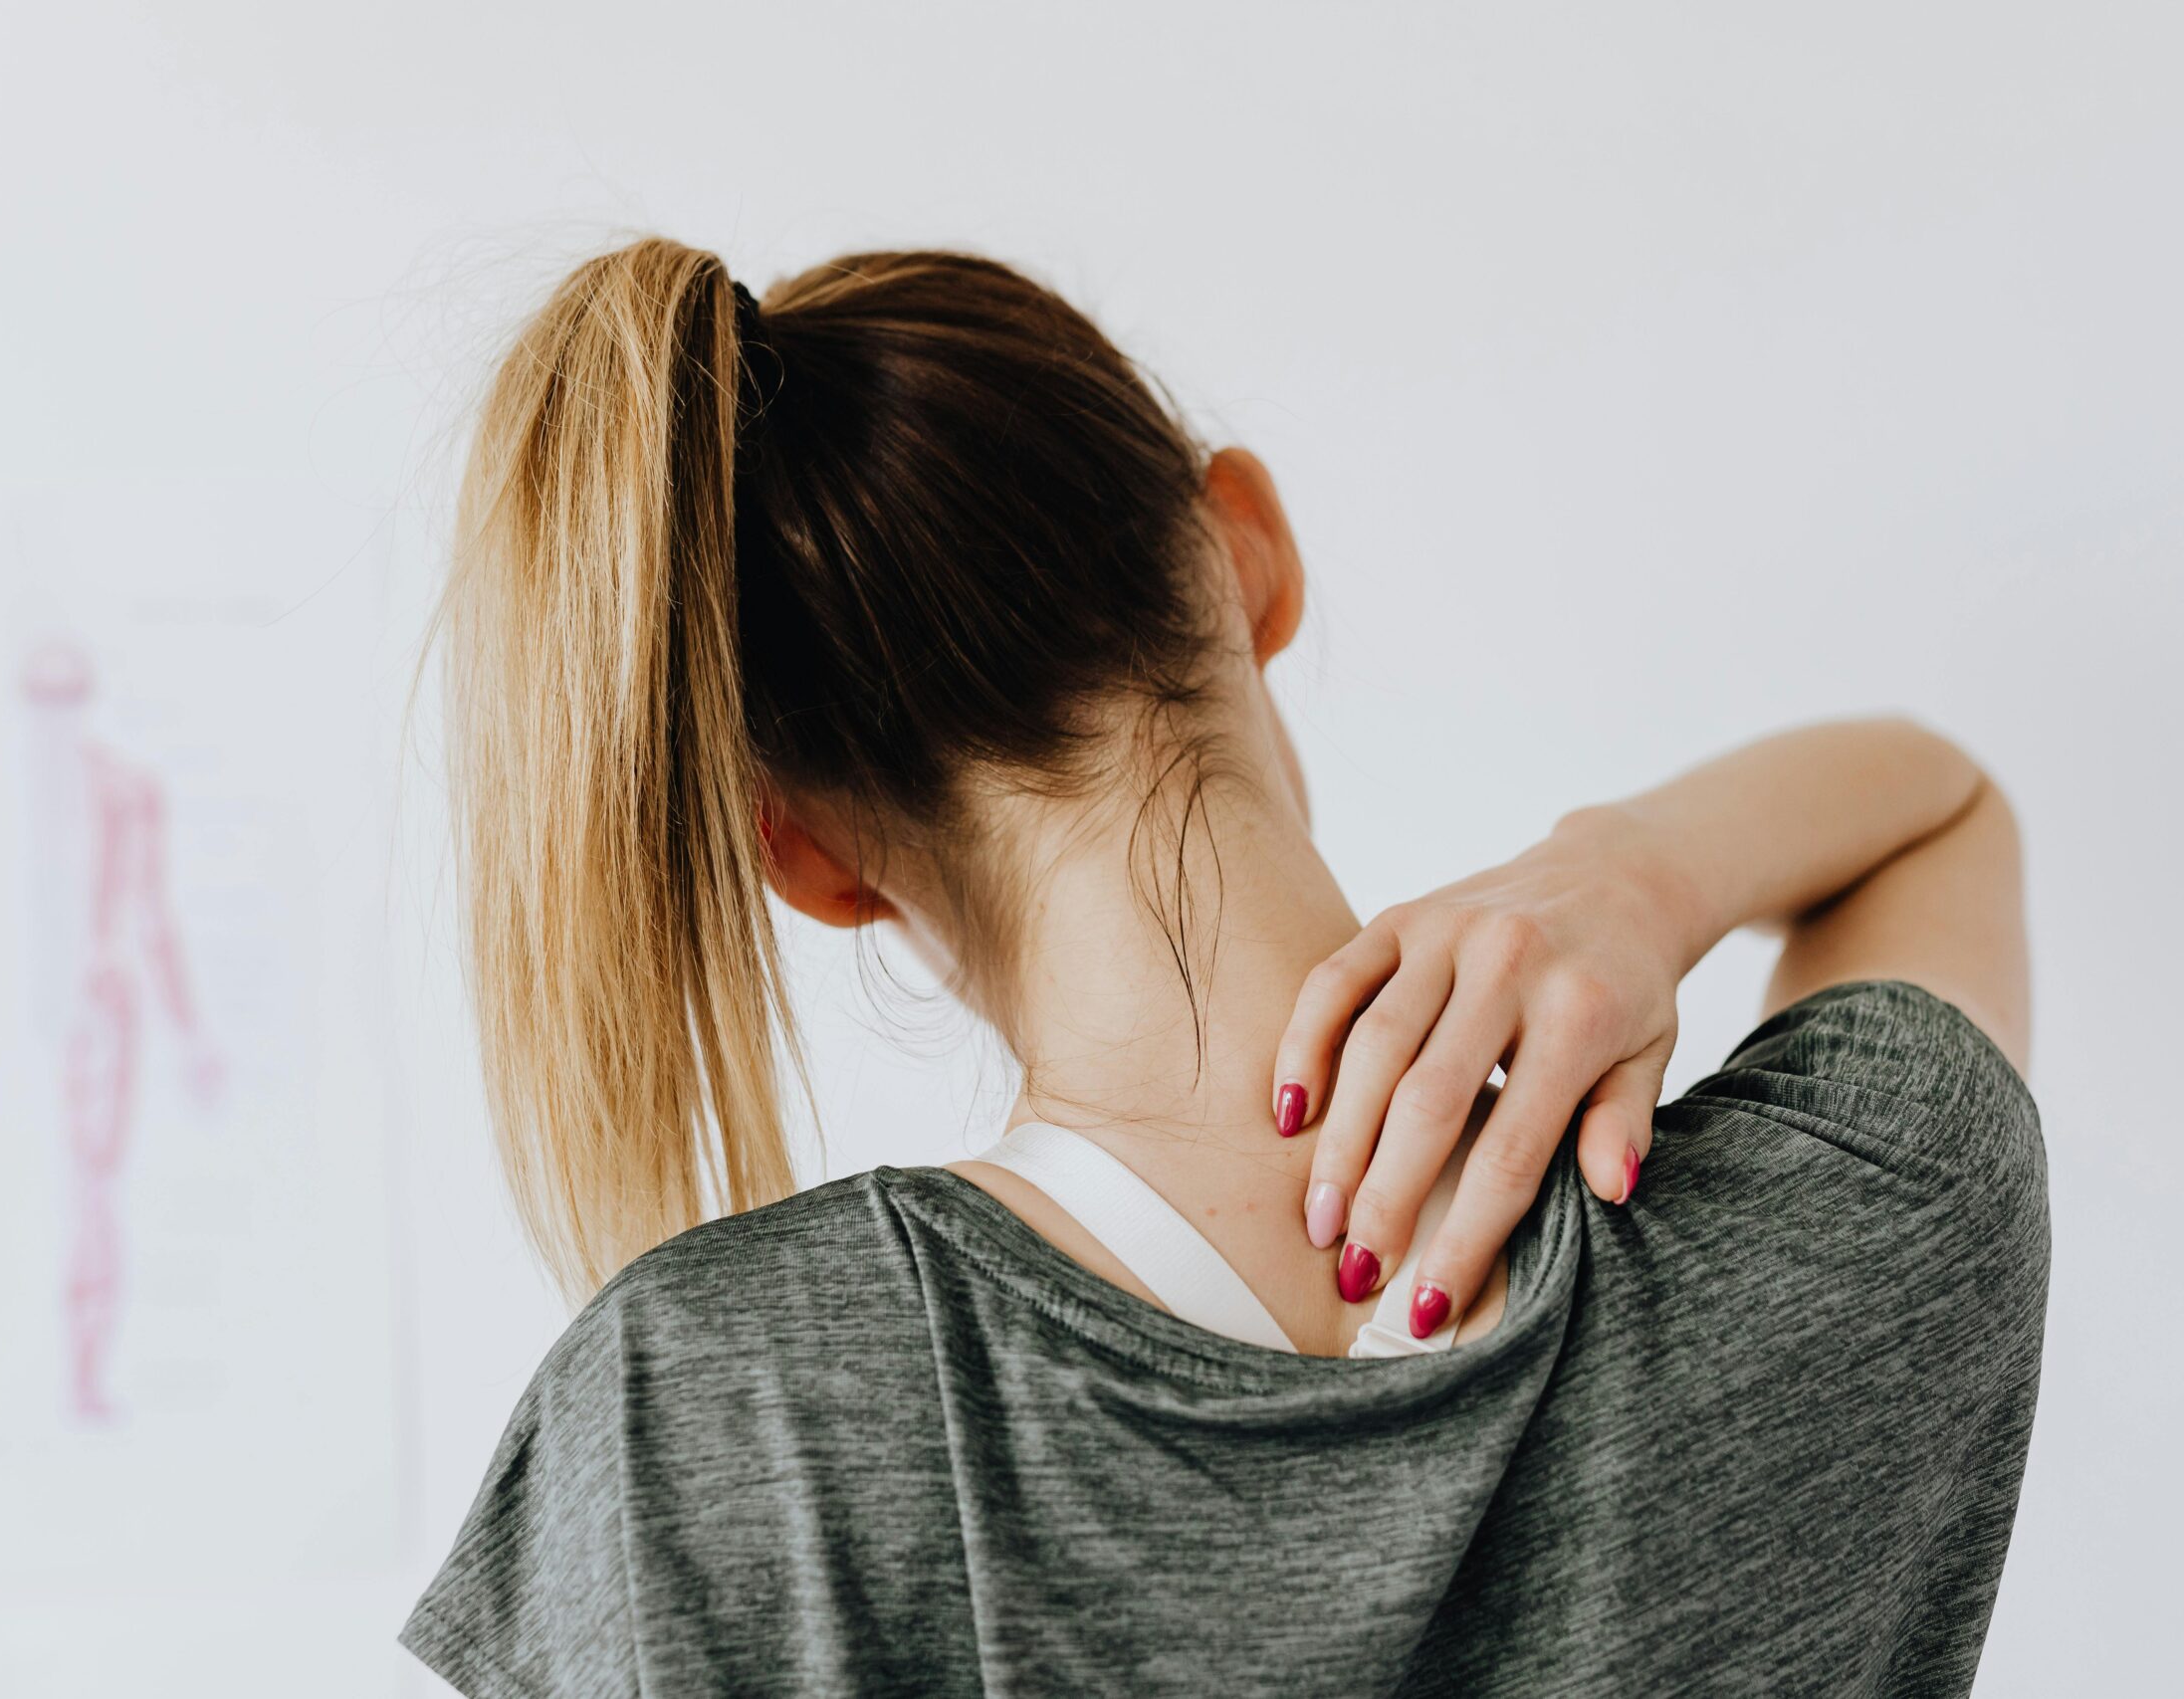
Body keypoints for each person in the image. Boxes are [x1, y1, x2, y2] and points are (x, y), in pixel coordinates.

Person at [404, 237, 2047, 1697]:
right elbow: (1939, 805)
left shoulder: (724, 1416)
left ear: (809, 855)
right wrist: (1640, 873)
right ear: (1247, 550)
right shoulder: (1856, 1219)